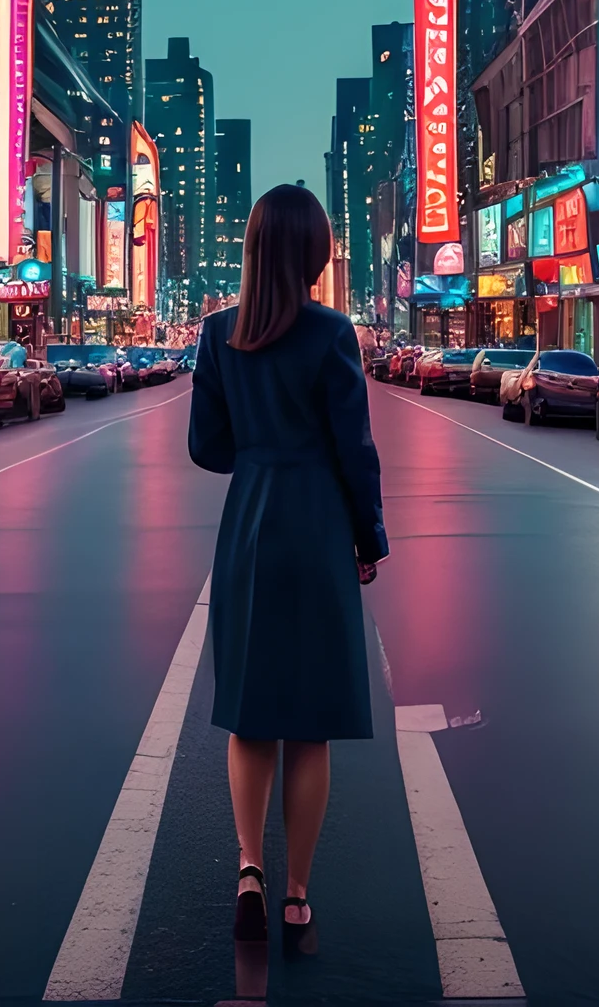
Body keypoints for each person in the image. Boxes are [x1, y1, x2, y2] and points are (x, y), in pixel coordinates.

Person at [187, 184, 386, 954]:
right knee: (312, 726)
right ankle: (298, 895)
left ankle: (248, 872)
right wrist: (369, 539)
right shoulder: (334, 334)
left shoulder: (217, 335)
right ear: (315, 253)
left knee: (251, 712)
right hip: (319, 526)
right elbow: (356, 451)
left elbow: (206, 448)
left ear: (252, 248)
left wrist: (261, 457)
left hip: (251, 526)